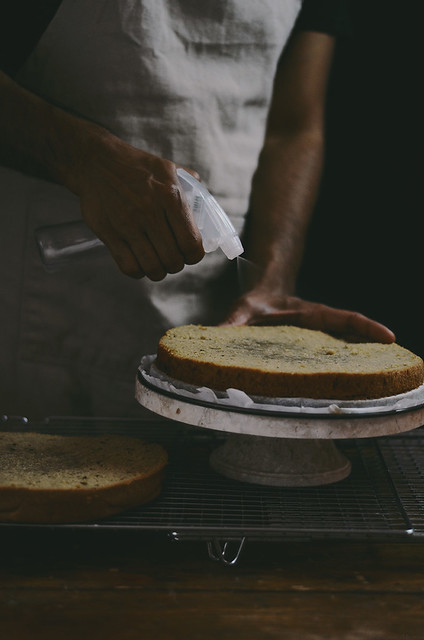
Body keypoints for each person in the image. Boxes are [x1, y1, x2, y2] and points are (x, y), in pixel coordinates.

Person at [0, 0, 394, 419]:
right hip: (54, 302)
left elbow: (293, 126)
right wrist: (85, 158)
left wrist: (272, 281)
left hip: (217, 302)